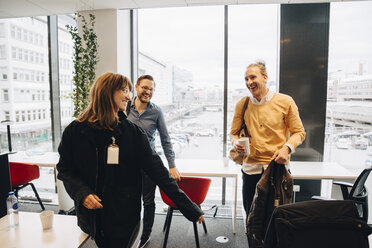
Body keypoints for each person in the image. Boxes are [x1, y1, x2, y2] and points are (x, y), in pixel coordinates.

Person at [56, 72, 203, 248]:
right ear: (106, 92)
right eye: (123, 90)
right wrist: (82, 193)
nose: (128, 96)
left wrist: (189, 207)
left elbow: (159, 172)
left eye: (128, 90)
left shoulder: (132, 133)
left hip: (123, 217)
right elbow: (64, 169)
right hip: (92, 216)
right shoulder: (74, 131)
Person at [230, 61, 306, 227]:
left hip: (276, 170)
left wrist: (287, 148)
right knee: (251, 220)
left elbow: (299, 132)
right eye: (246, 79)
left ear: (265, 77)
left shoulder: (286, 101)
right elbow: (233, 133)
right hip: (250, 171)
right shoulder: (242, 104)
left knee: (276, 221)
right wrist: (236, 143)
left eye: (252, 77)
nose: (249, 82)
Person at [127, 74, 181, 248]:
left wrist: (172, 166)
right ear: (136, 87)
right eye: (145, 87)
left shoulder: (156, 111)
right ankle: (130, 233)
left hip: (149, 164)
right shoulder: (125, 108)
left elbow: (166, 140)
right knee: (129, 199)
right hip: (127, 165)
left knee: (148, 201)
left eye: (151, 89)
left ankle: (146, 236)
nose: (147, 91)